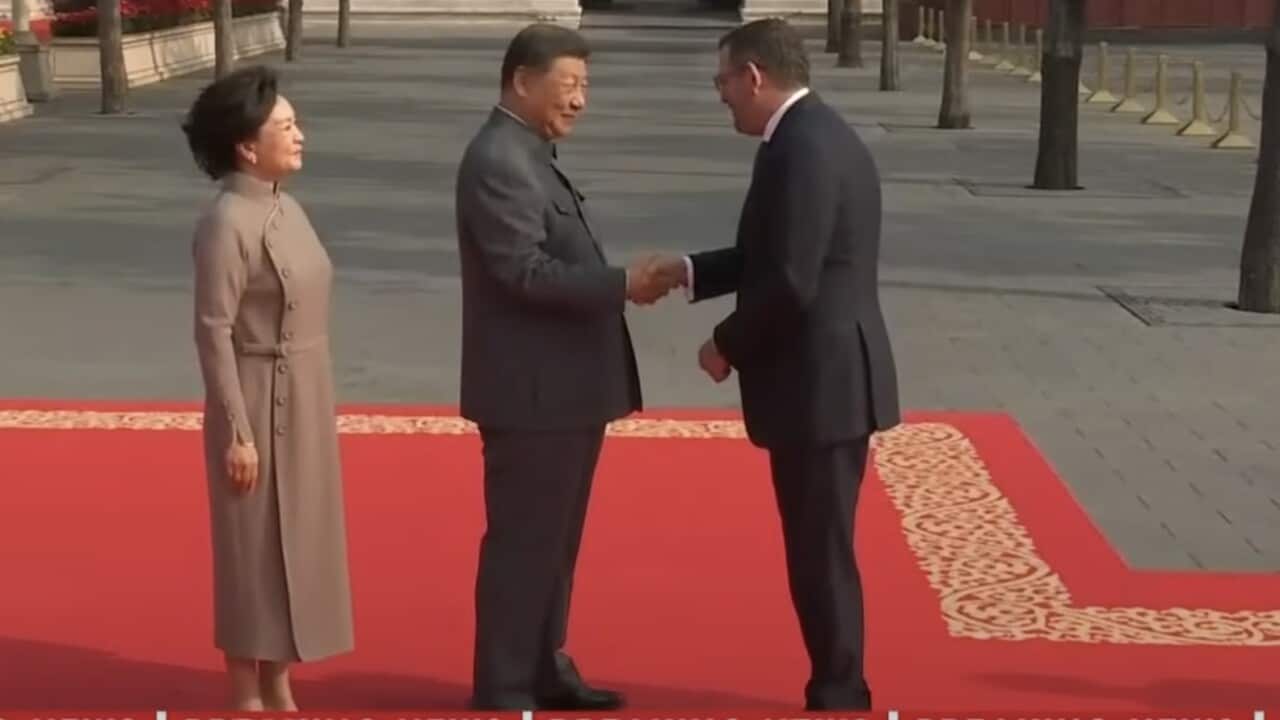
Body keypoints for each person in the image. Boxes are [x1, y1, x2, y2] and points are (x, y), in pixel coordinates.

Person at [655, 18, 901, 711]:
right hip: (823, 377)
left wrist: (725, 344)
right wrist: (686, 271)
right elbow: (771, 255)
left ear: (755, 75)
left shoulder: (805, 149)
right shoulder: (805, 136)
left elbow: (792, 280)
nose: (722, 96)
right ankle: (836, 681)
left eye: (723, 81)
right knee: (818, 547)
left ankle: (840, 690)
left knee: (821, 552)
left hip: (822, 382)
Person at [453, 22, 674, 712]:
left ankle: (543, 665)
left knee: (555, 543)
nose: (580, 101)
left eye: (585, 87)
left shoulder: (529, 152)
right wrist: (620, 285)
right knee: (525, 543)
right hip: (531, 393)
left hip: (563, 390)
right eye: (569, 85)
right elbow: (522, 271)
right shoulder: (498, 159)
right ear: (522, 81)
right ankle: (505, 686)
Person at [183, 64, 354, 711]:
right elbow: (212, 330)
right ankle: (244, 687)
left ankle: (280, 674)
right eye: (285, 127)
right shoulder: (226, 221)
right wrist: (238, 430)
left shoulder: (285, 205)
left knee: (299, 540)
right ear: (246, 147)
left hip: (305, 391)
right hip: (253, 395)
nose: (300, 135)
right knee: (250, 546)